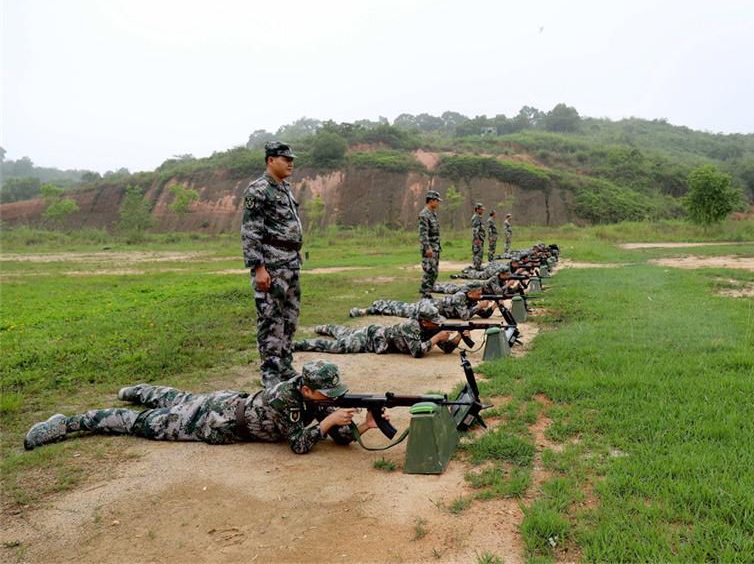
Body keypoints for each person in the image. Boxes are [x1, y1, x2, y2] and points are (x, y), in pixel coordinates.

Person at [24, 361, 384, 455]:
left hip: (227, 401)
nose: (331, 400)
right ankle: (70, 422)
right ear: (307, 390)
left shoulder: (308, 395)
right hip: (212, 420)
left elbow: (333, 433)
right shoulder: (285, 399)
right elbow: (300, 444)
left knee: (177, 396)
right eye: (326, 395)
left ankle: (139, 389)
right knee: (142, 423)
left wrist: (361, 427)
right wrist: (327, 423)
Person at [242, 141, 304, 388]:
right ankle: (270, 374)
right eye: (284, 158)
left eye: (291, 159)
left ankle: (285, 367)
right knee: (270, 320)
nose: (290, 163)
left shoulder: (285, 188)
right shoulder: (258, 190)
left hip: (290, 263)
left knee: (290, 319)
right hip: (271, 266)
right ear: (270, 160)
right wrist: (258, 268)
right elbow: (250, 232)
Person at [293, 302, 468, 358]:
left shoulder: (432, 328)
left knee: (344, 333)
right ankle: (299, 344)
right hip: (371, 338)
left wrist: (459, 336)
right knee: (338, 346)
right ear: (424, 322)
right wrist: (437, 338)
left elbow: (447, 349)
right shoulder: (411, 326)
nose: (438, 324)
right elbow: (417, 352)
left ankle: (327, 327)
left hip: (375, 332)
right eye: (434, 322)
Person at [349, 286, 493, 321]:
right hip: (427, 308)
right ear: (470, 292)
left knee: (400, 307)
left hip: (431, 308)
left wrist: (494, 305)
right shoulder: (460, 297)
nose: (480, 296)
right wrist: (479, 306)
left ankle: (377, 305)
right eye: (478, 293)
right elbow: (465, 316)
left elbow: (484, 314)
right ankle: (367, 310)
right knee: (399, 309)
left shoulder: (472, 300)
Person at [418, 190, 442, 298]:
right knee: (429, 271)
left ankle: (428, 291)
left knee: (434, 272)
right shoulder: (424, 214)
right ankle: (424, 293)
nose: (438, 203)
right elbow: (423, 233)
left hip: (435, 247)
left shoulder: (433, 214)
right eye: (436, 201)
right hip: (429, 248)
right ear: (431, 201)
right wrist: (427, 248)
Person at [471, 203, 486, 270]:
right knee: (478, 252)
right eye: (481, 210)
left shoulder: (478, 217)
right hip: (478, 239)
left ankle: (478, 265)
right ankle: (477, 267)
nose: (482, 211)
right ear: (477, 210)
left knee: (480, 252)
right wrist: (477, 239)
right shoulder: (476, 217)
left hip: (480, 238)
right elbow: (475, 229)